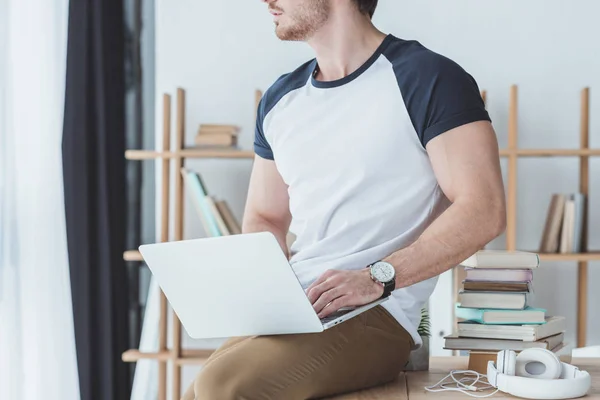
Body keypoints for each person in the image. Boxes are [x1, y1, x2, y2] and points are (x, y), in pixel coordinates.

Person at [182, 0, 506, 398]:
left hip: (378, 313)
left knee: (221, 386)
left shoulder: (428, 78)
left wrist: (376, 277)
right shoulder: (280, 100)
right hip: (295, 309)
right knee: (196, 389)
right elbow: (265, 216)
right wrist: (267, 293)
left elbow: (483, 209)